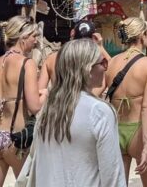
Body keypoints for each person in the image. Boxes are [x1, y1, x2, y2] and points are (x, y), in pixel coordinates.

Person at [32, 39, 125, 186]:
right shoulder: (99, 111)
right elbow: (112, 174)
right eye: (103, 63)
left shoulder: (49, 107)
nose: (106, 68)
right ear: (88, 69)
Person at [0, 16, 42, 187]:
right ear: (23, 37)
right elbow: (35, 106)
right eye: (33, 36)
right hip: (16, 139)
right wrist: (47, 95)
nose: (35, 41)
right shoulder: (27, 64)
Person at [106, 17, 147, 186]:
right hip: (139, 130)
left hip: (116, 129)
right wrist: (146, 146)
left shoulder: (111, 63)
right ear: (142, 36)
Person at [39, 20, 111, 98]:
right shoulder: (94, 60)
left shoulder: (52, 59)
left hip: (59, 106)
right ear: (93, 38)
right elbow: (114, 70)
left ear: (72, 33)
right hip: (87, 106)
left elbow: (39, 91)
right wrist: (100, 47)